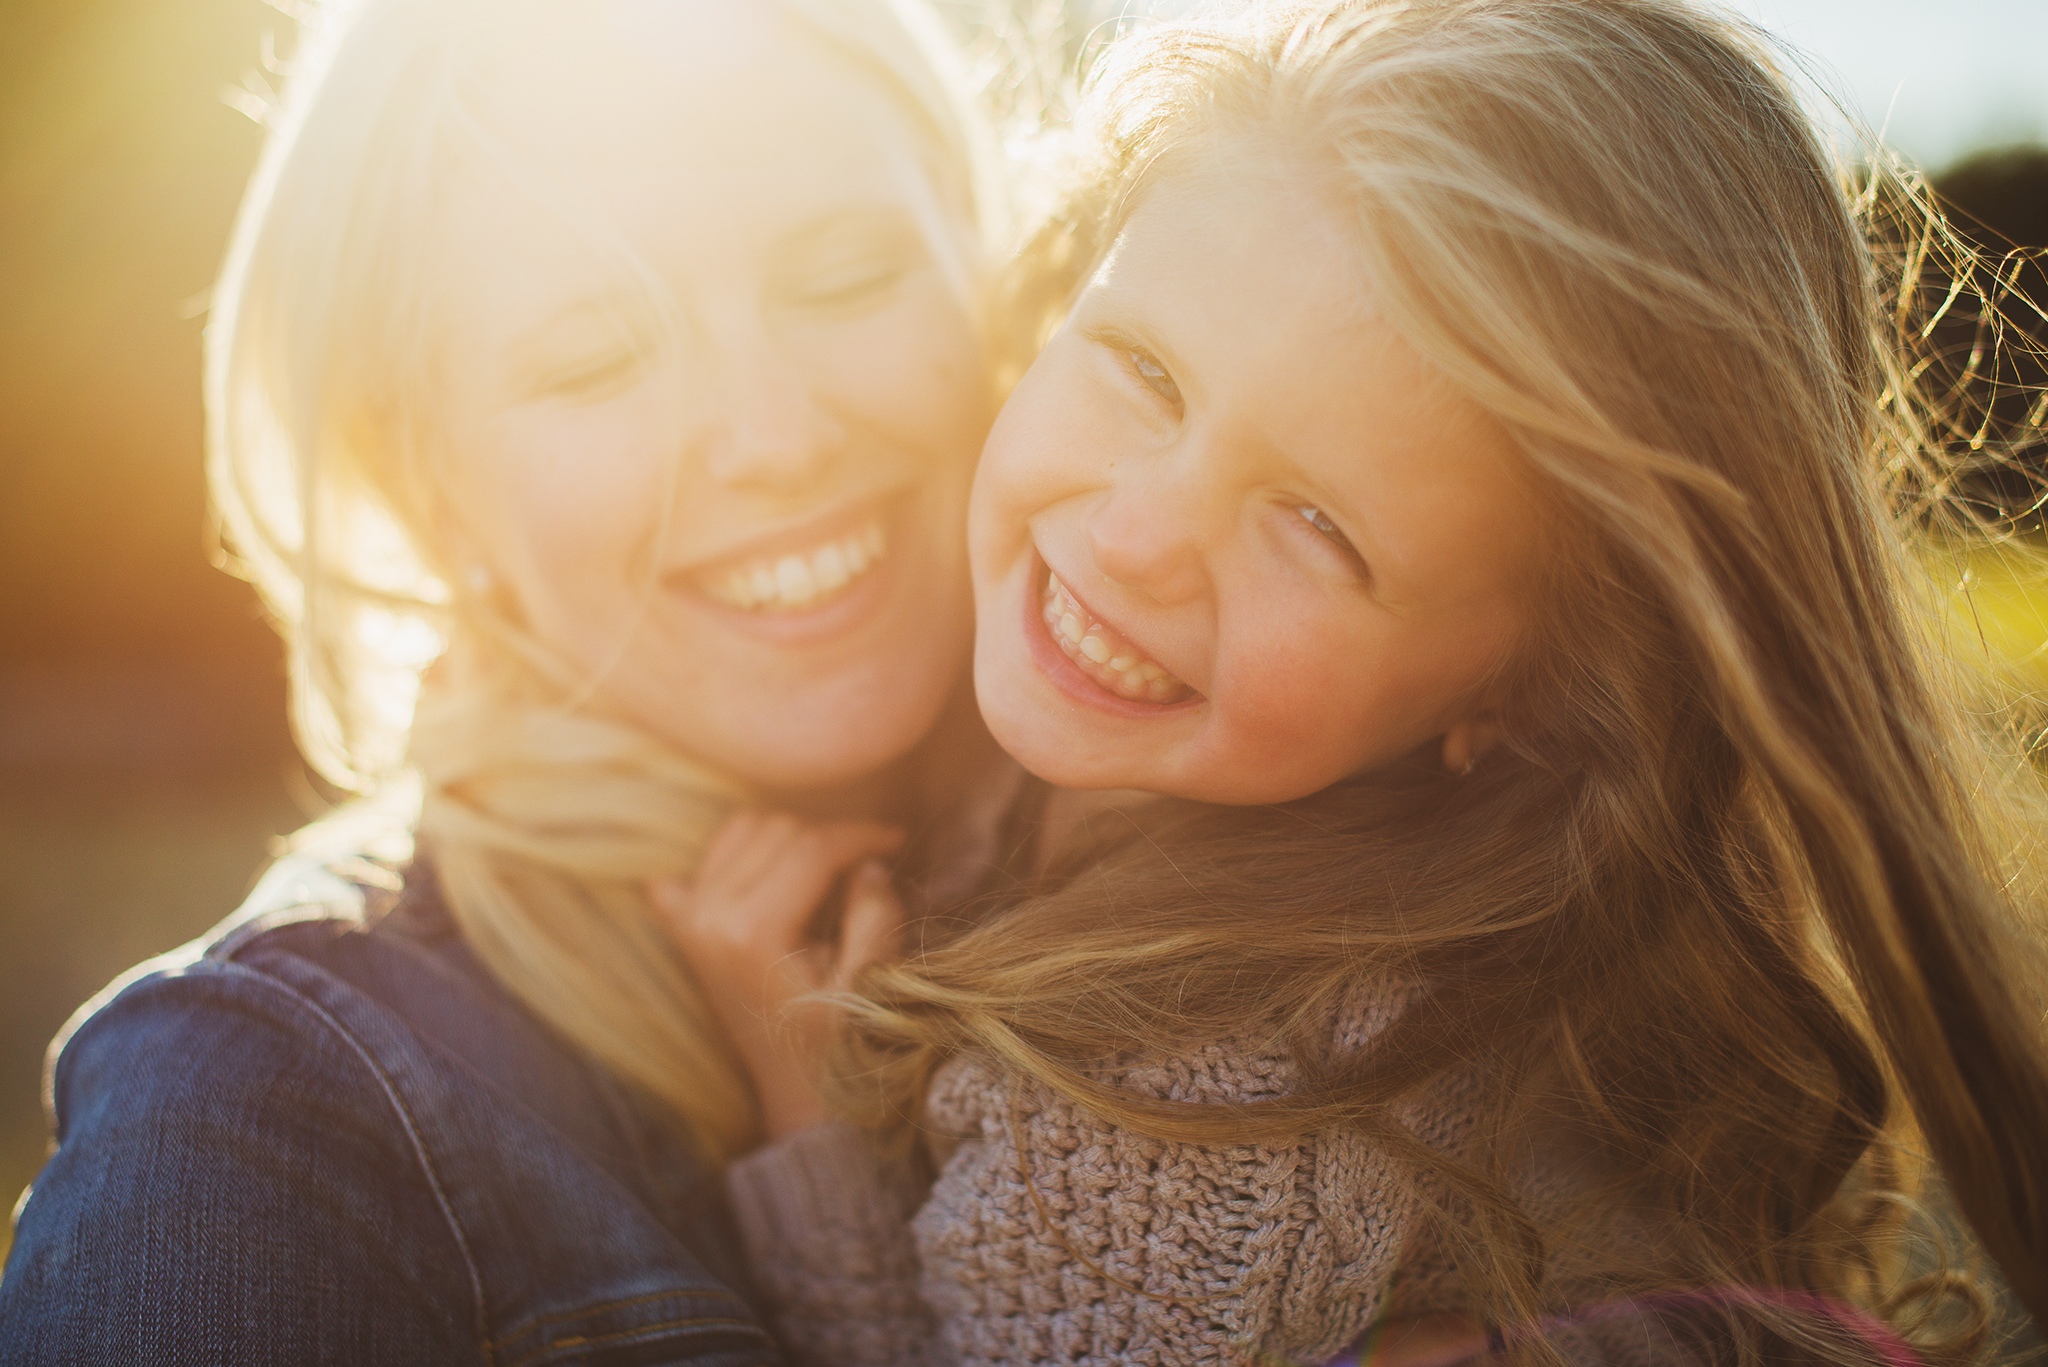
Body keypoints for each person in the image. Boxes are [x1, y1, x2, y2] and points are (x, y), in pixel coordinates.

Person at [664, 2, 2048, 1364]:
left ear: (1524, 693)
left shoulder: (1187, 1099)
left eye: (1320, 528)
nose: (1138, 537)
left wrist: (810, 1132)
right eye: (1146, 370)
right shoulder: (1113, 794)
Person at [0, 0, 1022, 1360]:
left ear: (988, 261)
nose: (774, 439)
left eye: (843, 278)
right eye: (595, 360)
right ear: (429, 486)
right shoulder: (265, 1109)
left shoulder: (1300, 852)